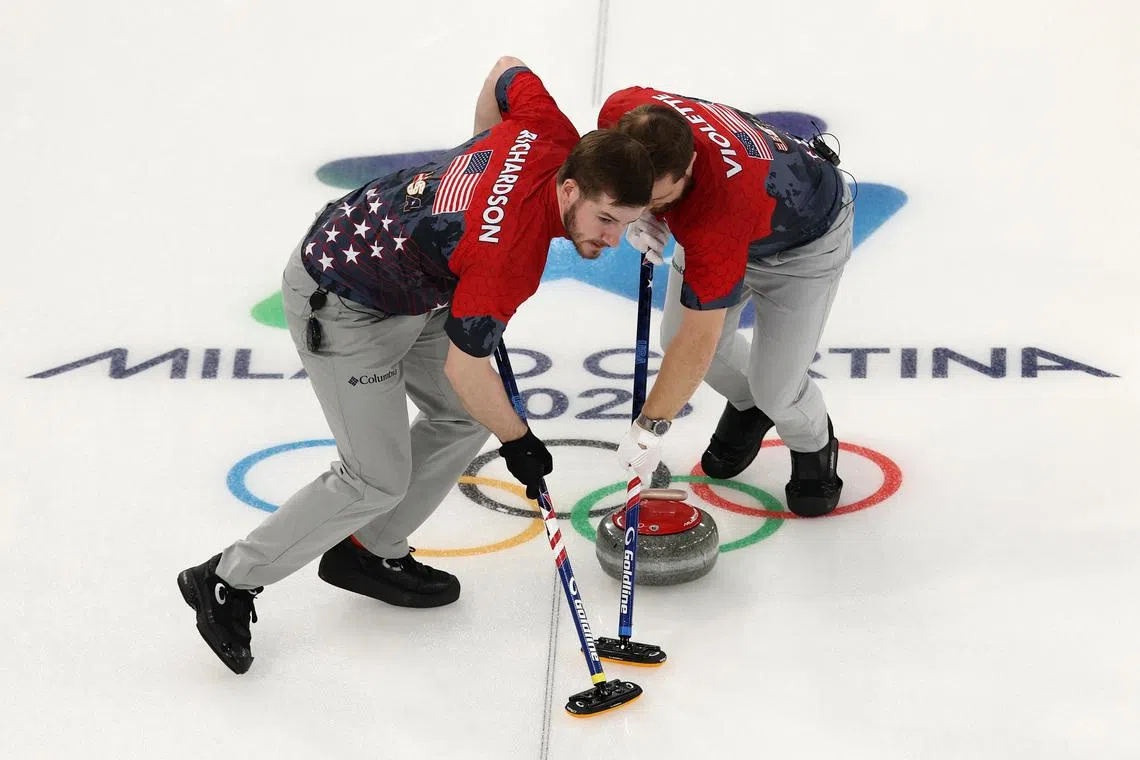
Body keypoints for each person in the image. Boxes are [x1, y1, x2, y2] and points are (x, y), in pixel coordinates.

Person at [178, 57, 654, 674]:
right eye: (606, 220)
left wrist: (477, 151)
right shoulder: (509, 257)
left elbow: (506, 69)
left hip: (415, 278)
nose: (612, 239)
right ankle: (226, 579)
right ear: (569, 189)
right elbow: (467, 367)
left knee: (461, 418)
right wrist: (521, 441)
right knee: (374, 476)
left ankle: (369, 550)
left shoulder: (549, 129)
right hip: (346, 300)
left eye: (628, 223)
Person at [602, 88, 853, 518]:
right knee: (674, 337)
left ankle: (812, 442)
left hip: (802, 247)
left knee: (778, 388)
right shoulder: (627, 111)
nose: (649, 205)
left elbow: (700, 336)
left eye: (659, 199)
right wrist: (644, 211)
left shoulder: (715, 215)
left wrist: (648, 431)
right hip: (739, 219)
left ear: (689, 167)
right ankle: (748, 403)